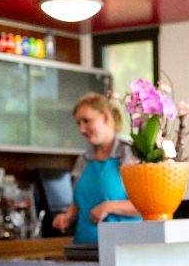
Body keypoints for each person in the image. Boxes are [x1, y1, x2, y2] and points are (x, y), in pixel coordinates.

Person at [52, 93, 140, 244]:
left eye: (86, 121)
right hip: (83, 248)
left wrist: (109, 206)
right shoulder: (83, 159)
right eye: (78, 123)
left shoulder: (129, 153)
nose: (81, 129)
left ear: (105, 117)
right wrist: (67, 216)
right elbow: (79, 203)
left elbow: (146, 206)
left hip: (122, 250)